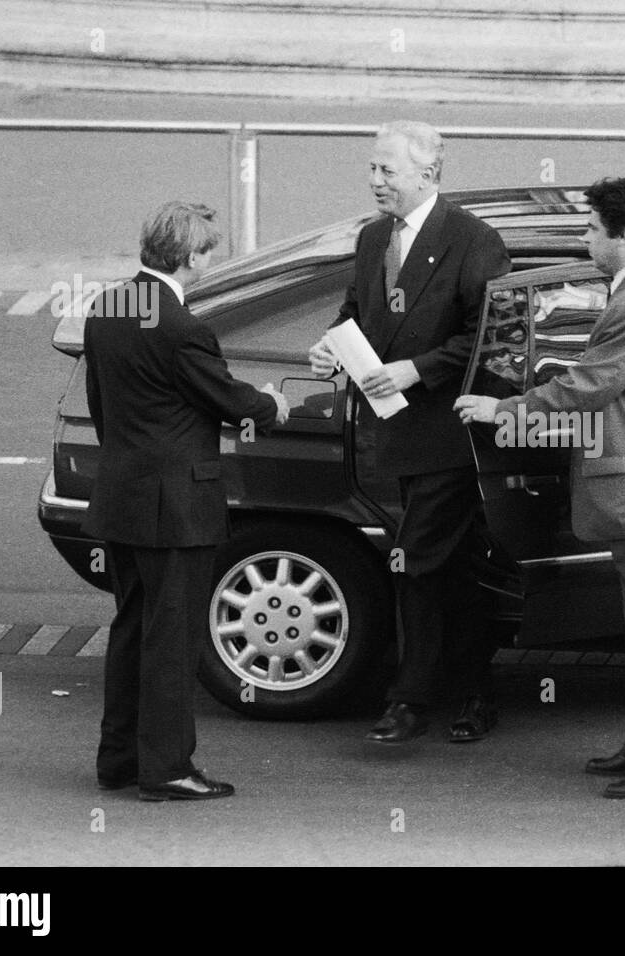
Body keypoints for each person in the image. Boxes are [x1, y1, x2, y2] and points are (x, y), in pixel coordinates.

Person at [456, 177, 625, 798]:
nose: (584, 238)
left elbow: (584, 388)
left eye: (592, 229)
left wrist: (501, 411)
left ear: (622, 235)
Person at [309, 121, 511, 745]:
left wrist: (417, 369)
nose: (375, 181)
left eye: (386, 171)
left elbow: (490, 336)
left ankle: (409, 697)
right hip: (391, 438)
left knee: (413, 561)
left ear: (427, 175)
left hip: (450, 439)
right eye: (372, 169)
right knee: (451, 569)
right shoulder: (374, 239)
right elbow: (354, 314)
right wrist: (332, 347)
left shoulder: (474, 240)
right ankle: (471, 690)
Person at [84, 201, 289, 801]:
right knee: (171, 641)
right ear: (188, 255)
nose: (210, 262)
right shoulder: (182, 328)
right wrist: (272, 405)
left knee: (131, 631)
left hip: (123, 495)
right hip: (176, 506)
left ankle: (118, 759)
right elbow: (226, 398)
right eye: (208, 253)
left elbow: (102, 405)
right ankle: (167, 768)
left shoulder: (108, 307)